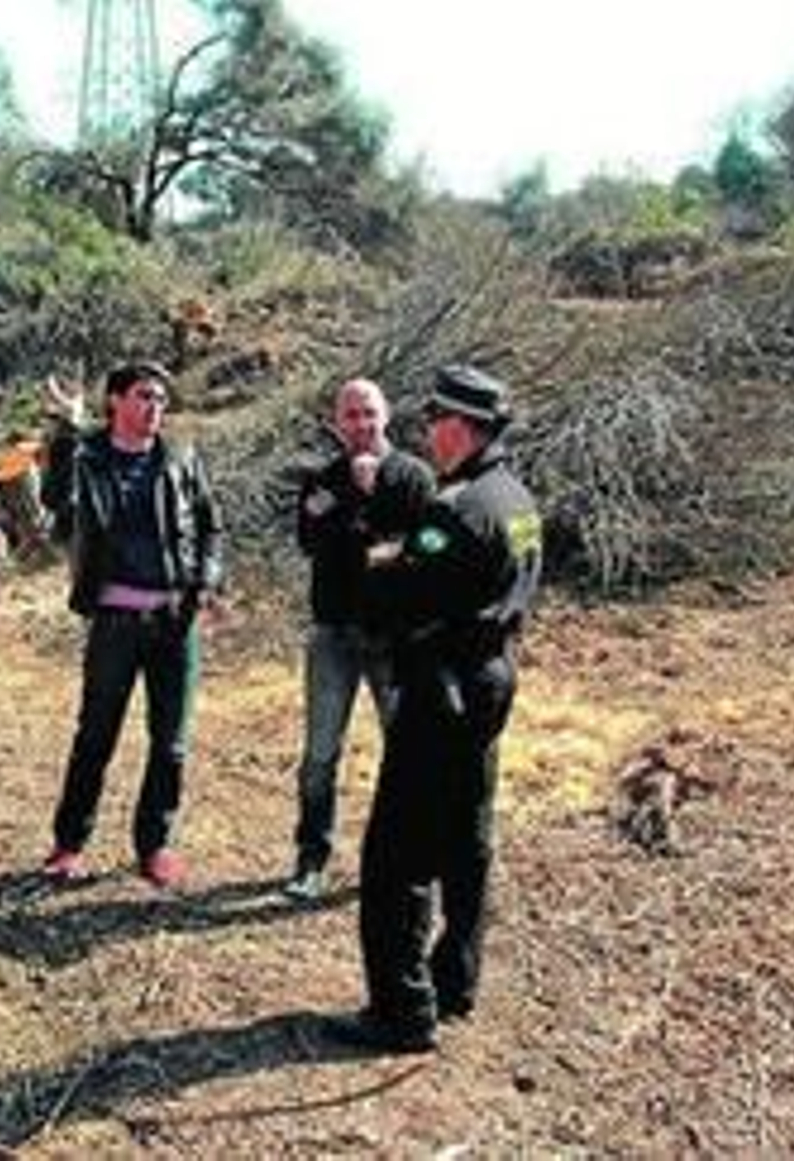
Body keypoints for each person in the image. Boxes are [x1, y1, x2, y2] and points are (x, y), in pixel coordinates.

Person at [324, 363, 543, 1054]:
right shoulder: (517, 498)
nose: (428, 434)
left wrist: (382, 559)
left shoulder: (457, 509)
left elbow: (388, 594)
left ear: (460, 425)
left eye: (435, 422)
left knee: (398, 853)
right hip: (492, 676)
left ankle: (401, 1008)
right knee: (467, 833)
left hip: (441, 683)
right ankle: (456, 978)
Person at [38, 361, 224, 889]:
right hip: (116, 622)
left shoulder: (181, 457)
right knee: (96, 735)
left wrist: (206, 581)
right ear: (115, 401)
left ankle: (155, 845)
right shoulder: (88, 457)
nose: (155, 407)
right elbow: (55, 504)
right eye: (144, 396)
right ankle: (68, 844)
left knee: (171, 743)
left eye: (161, 399)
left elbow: (211, 526)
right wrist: (67, 432)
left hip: (174, 621)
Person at [284, 378, 435, 901]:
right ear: (336, 422)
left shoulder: (413, 476)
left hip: (394, 640)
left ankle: (408, 857)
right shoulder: (322, 479)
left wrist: (372, 505)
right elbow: (309, 539)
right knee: (320, 753)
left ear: (386, 414)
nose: (360, 424)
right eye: (350, 415)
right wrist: (350, 503)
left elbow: (426, 546)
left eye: (368, 412)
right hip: (333, 635)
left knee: (409, 750)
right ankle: (311, 858)